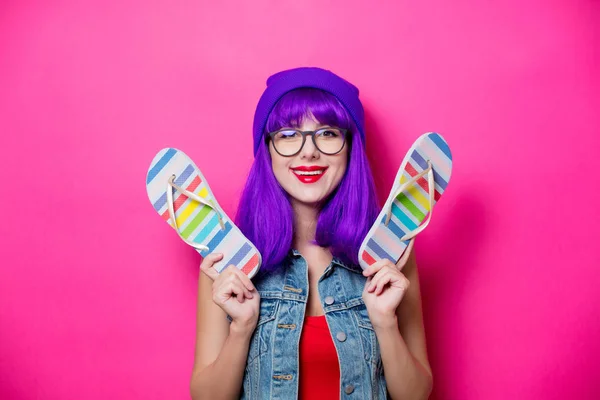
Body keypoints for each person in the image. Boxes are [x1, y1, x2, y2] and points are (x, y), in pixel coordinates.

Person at [190, 67, 433, 399]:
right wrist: (241, 328)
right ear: (268, 150)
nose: (309, 151)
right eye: (288, 134)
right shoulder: (227, 260)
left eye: (328, 133)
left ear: (350, 148)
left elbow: (416, 394)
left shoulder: (390, 252)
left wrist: (385, 322)